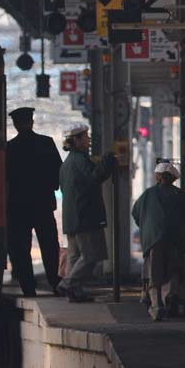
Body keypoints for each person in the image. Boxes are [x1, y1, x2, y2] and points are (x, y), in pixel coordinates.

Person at [4, 106, 63, 296]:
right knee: (49, 246)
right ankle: (55, 283)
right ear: (32, 122)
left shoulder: (9, 148)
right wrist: (50, 186)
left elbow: (4, 178)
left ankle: (28, 288)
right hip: (43, 204)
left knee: (21, 249)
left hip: (17, 207)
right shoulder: (46, 143)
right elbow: (58, 172)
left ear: (15, 124)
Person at [57, 124, 117, 302]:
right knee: (92, 255)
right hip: (85, 216)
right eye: (85, 137)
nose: (89, 140)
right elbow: (94, 177)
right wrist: (107, 162)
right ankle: (68, 283)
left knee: (74, 256)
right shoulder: (80, 160)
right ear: (76, 140)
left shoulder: (67, 163)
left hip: (71, 217)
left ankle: (75, 292)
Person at [131, 162, 185, 321]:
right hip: (176, 240)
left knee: (154, 272)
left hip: (154, 240)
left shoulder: (148, 194)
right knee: (174, 269)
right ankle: (171, 296)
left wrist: (147, 227)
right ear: (173, 179)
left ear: (157, 177)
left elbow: (136, 213)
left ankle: (156, 306)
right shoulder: (182, 196)